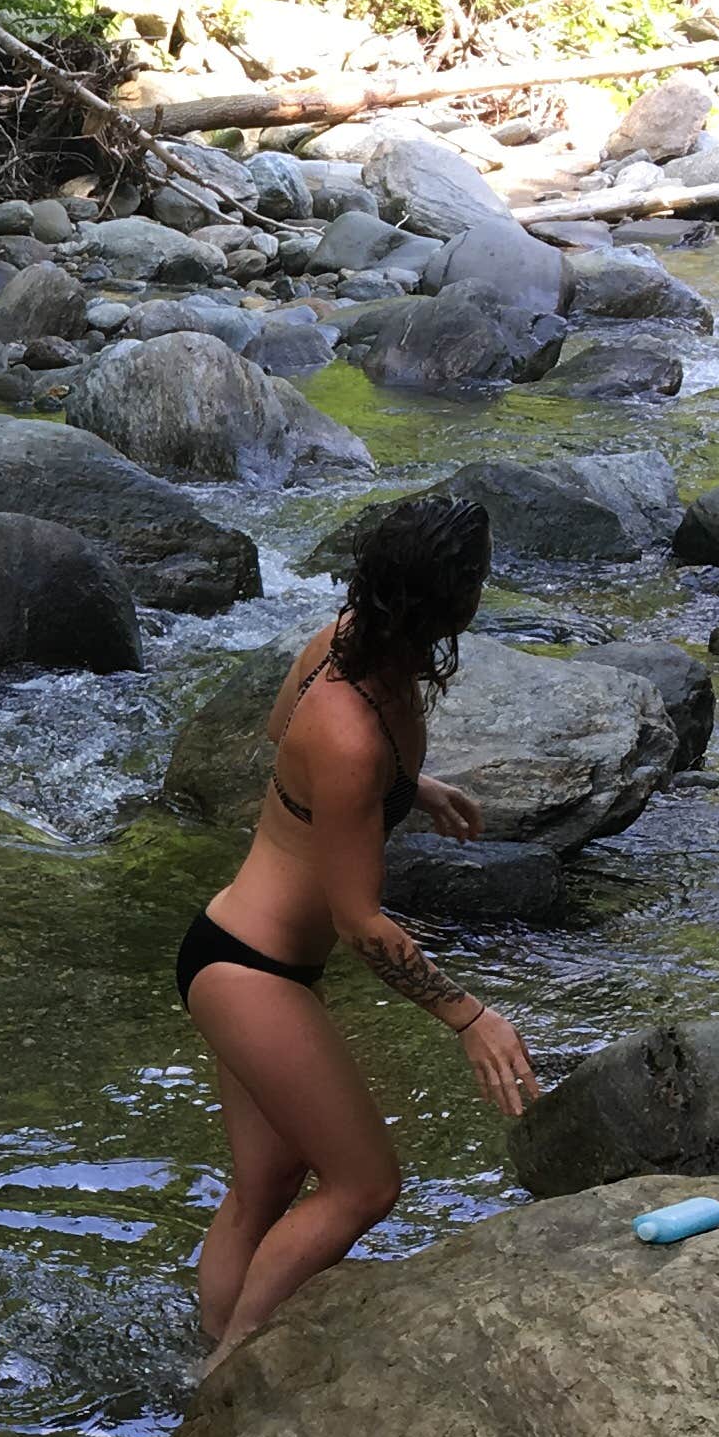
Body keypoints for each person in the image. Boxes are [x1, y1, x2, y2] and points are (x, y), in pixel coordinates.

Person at [176, 490, 539, 1369]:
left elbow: (280, 738)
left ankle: (196, 1365)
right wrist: (469, 1016)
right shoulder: (349, 734)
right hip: (250, 971)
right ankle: (232, 1375)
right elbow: (359, 924)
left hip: (238, 953)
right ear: (451, 602)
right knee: (365, 1184)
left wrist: (408, 790)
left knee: (265, 1184)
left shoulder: (347, 640)